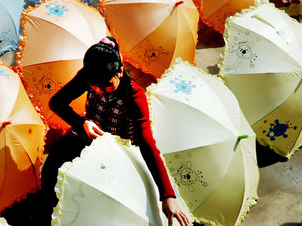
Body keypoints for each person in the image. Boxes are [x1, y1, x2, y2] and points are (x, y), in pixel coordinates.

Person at [29, 37, 190, 226]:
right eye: (94, 86)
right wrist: (82, 123)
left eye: (107, 86)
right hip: (87, 133)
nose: (100, 91)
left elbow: (147, 143)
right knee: (50, 170)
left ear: (120, 72)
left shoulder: (135, 96)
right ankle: (48, 214)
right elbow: (56, 102)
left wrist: (167, 195)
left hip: (117, 147)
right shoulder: (89, 77)